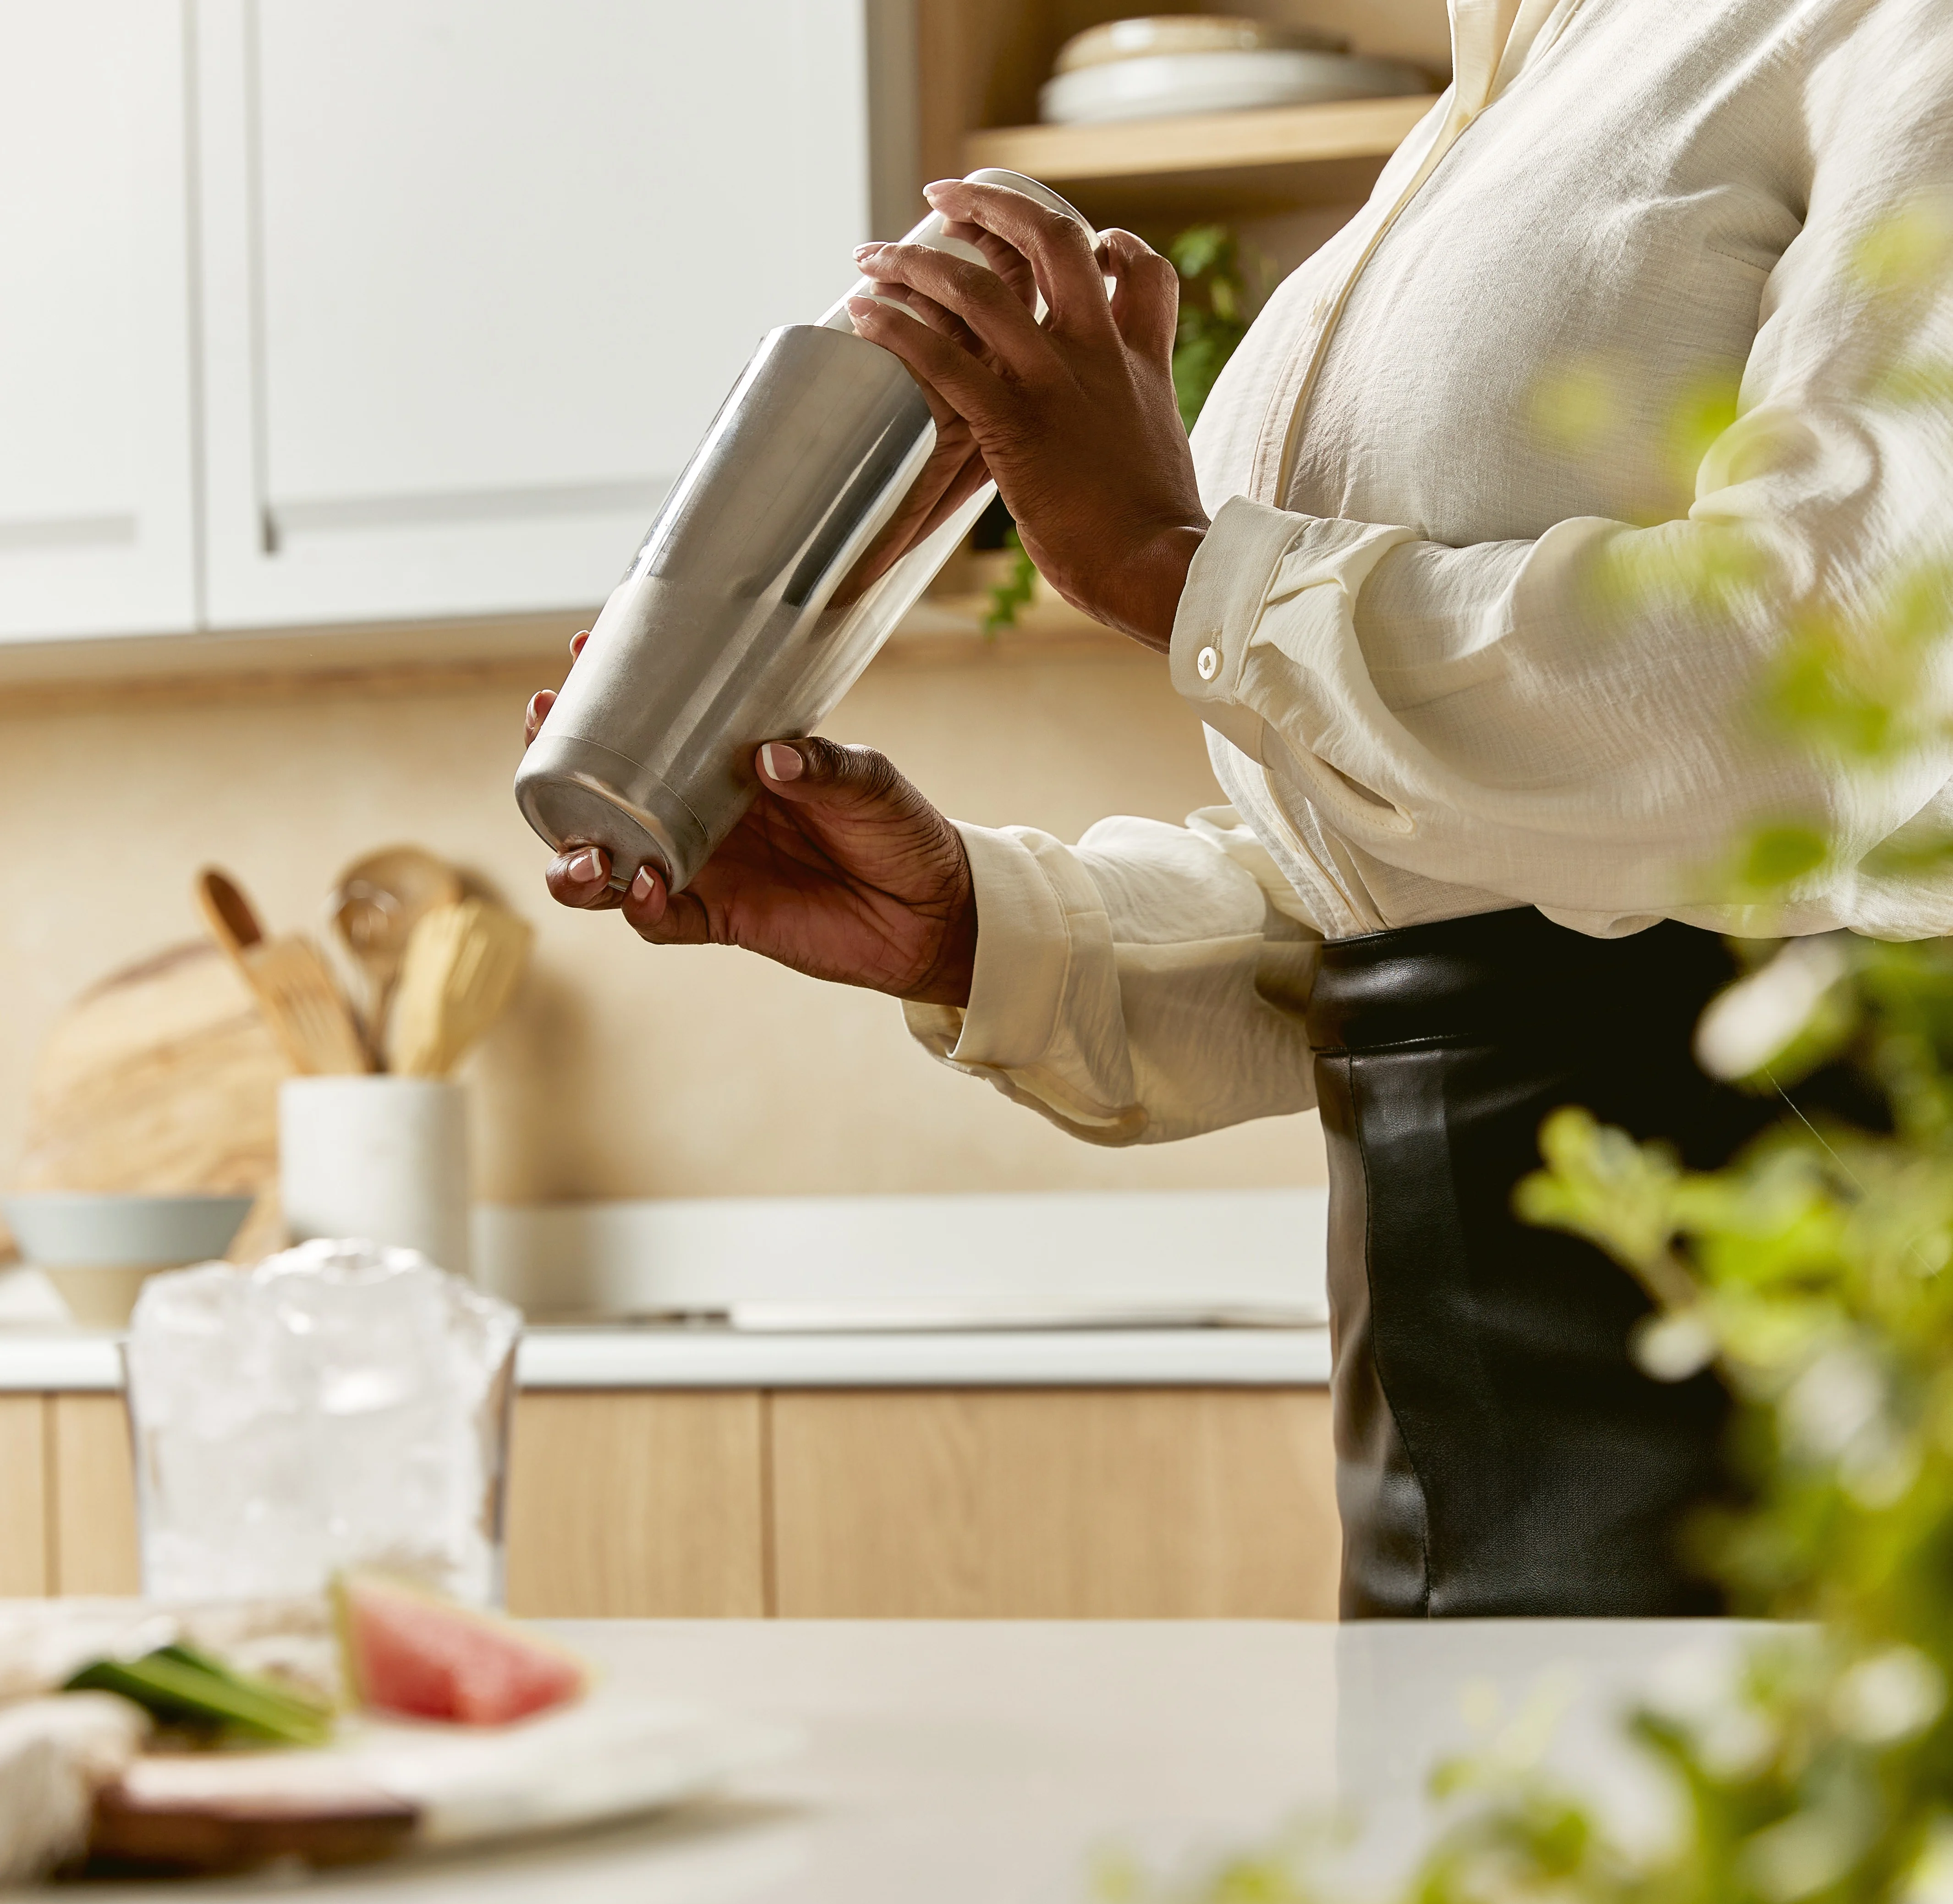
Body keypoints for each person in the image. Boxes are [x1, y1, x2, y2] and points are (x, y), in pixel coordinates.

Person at [526, 0, 1953, 1617]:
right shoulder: (1518, 82)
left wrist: (1171, 563)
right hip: (1444, 1410)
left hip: (1799, 1344)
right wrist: (980, 922)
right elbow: (1429, 881)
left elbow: (1857, 670)